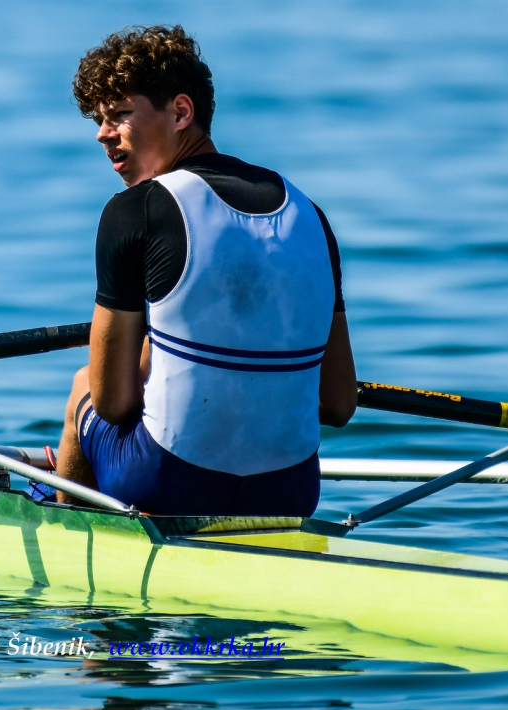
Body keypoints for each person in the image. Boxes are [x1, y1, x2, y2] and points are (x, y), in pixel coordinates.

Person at [54, 25, 356, 516]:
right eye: (99, 119)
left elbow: (112, 404)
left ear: (180, 112)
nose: (102, 134)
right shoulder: (311, 215)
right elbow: (339, 403)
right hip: (290, 492)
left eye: (120, 115)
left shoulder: (135, 210)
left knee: (83, 386)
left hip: (164, 483)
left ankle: (69, 536)